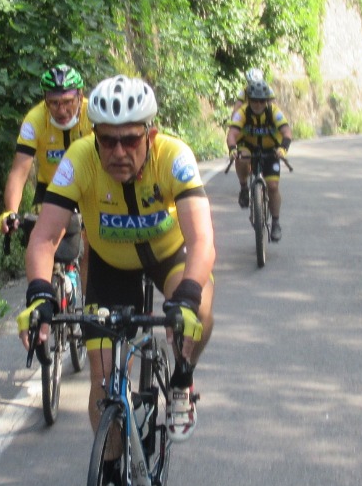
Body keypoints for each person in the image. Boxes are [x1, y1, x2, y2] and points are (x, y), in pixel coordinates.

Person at [18, 75, 215, 440]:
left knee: (199, 311)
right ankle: (109, 482)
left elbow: (202, 239)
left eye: (130, 140)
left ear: (150, 136)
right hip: (110, 265)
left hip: (168, 255)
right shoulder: (79, 160)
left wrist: (186, 297)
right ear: (94, 138)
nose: (118, 152)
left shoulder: (173, 156)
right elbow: (45, 236)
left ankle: (182, 378)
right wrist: (39, 294)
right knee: (104, 383)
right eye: (107, 140)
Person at [0, 64, 89, 273]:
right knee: (38, 243)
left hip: (87, 189)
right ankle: (42, 299)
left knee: (91, 247)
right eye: (54, 103)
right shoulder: (35, 119)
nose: (61, 110)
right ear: (45, 101)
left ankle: (91, 304)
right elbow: (19, 172)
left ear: (80, 96)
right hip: (51, 189)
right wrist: (11, 212)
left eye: (68, 102)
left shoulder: (93, 114)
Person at [226, 73, 292, 241]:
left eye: (261, 101)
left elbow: (286, 132)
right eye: (254, 100)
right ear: (250, 99)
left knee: (273, 186)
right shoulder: (242, 112)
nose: (257, 104)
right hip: (248, 147)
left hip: (271, 150)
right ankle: (244, 188)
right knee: (242, 157)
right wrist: (233, 149)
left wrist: (283, 149)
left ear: (266, 101)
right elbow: (232, 134)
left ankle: (275, 222)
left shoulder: (274, 112)